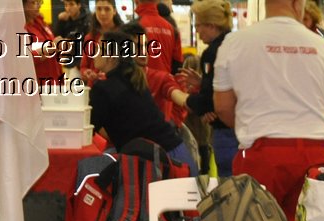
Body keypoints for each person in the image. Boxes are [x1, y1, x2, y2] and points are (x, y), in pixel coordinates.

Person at [214, 0, 324, 221]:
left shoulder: (235, 43)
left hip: (262, 152)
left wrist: (251, 123)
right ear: (297, 3)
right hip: (315, 151)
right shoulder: (323, 47)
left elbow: (222, 107)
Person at [88, 31, 194, 170]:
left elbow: (87, 128)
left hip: (163, 162)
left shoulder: (104, 89)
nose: (94, 54)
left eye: (98, 49)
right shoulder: (134, 81)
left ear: (111, 57)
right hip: (178, 154)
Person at [181, 0, 236, 178]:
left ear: (211, 25)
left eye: (198, 25)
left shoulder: (212, 52)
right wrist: (203, 84)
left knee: (230, 189)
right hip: (244, 129)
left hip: (226, 131)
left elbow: (207, 102)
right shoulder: (236, 44)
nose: (196, 31)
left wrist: (184, 98)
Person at [23, 0, 66, 87]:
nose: (38, 6)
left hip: (54, 80)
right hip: (37, 84)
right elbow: (25, 58)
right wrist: (51, 48)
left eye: (39, 2)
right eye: (33, 2)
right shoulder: (20, 27)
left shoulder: (40, 22)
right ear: (23, 5)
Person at [134, 0, 183, 76]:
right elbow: (178, 64)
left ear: (136, 1)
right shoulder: (172, 29)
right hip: (166, 83)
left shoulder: (134, 27)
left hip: (140, 82)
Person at [53, 0, 92, 66]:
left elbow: (88, 45)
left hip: (81, 62)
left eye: (71, 4)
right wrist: (60, 22)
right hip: (65, 61)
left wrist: (70, 46)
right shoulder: (64, 20)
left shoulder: (87, 21)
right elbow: (56, 38)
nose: (68, 8)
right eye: (66, 5)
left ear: (79, 5)